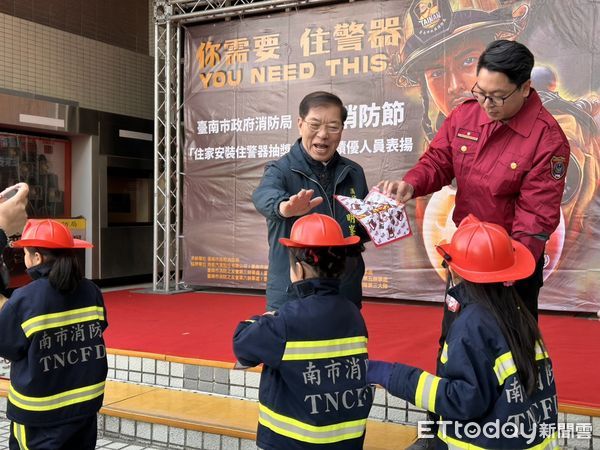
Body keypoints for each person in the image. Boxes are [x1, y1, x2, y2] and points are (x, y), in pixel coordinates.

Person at [381, 39, 570, 322]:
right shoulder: (466, 114)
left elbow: (535, 217)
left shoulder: (548, 140)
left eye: (498, 96)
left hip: (512, 263)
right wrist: (412, 183)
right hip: (466, 255)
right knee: (455, 340)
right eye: (481, 92)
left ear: (525, 88)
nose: (487, 104)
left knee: (509, 348)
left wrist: (509, 272)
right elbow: (438, 160)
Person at [368, 214, 558, 449]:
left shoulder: (471, 325)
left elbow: (463, 399)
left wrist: (390, 375)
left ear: (456, 273)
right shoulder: (520, 316)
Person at [233, 213, 374, 450]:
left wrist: (260, 320)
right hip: (347, 442)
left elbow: (242, 345)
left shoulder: (286, 320)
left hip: (290, 443)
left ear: (298, 269)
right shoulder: (353, 314)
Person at [253, 91, 369, 311]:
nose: (323, 134)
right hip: (294, 294)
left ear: (342, 130)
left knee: (346, 345)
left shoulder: (354, 172)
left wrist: (379, 222)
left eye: (333, 127)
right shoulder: (281, 170)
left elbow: (357, 228)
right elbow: (263, 195)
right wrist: (284, 207)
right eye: (314, 125)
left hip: (345, 291)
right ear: (300, 124)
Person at [0, 219, 107, 450]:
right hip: (85, 409)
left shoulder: (24, 299)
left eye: (25, 254)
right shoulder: (92, 291)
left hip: (39, 417)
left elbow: (6, 346)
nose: (24, 260)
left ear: (37, 258)